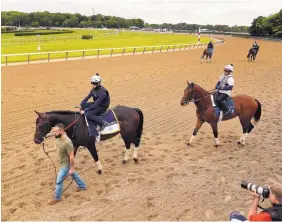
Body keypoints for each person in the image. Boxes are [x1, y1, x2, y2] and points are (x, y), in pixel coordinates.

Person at [48, 123, 87, 205]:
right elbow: (58, 145)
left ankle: (57, 198)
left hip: (66, 165)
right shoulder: (58, 138)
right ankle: (82, 186)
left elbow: (71, 156)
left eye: (55, 132)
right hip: (62, 162)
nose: (54, 133)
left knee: (59, 181)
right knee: (73, 174)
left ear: (61, 131)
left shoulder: (67, 142)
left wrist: (72, 168)